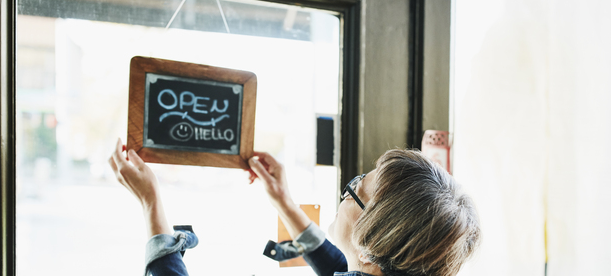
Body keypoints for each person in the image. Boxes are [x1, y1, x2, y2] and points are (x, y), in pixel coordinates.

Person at [108, 138, 480, 276]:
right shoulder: (388, 268)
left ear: (371, 248)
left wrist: (150, 203)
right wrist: (284, 202)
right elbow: (342, 267)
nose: (344, 192)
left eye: (355, 190)